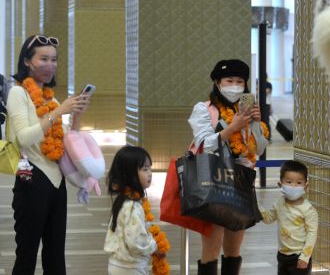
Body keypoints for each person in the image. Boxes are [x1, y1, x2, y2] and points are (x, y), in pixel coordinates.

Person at [6, 34, 89, 274]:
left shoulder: (50, 99)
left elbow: (66, 140)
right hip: (31, 178)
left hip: (56, 181)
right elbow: (24, 137)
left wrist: (77, 115)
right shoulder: (18, 94)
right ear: (27, 62)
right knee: (27, 254)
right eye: (43, 59)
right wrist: (58, 112)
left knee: (55, 254)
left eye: (54, 59)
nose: (51, 65)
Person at [188, 59, 269, 275]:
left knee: (234, 248)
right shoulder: (204, 109)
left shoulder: (248, 111)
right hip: (213, 181)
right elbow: (204, 144)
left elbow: (259, 149)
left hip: (241, 180)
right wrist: (233, 127)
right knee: (211, 249)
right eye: (229, 80)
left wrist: (255, 125)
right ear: (217, 82)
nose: (234, 85)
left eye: (239, 81)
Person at [104, 146, 168, 275]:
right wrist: (155, 245)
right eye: (145, 169)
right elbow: (136, 242)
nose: (150, 173)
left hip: (119, 264)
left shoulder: (123, 201)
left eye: (150, 168)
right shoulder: (132, 206)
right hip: (130, 268)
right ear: (129, 174)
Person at [259, 160, 318, 275]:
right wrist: (256, 206)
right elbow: (268, 219)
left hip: (299, 257)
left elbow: (312, 233)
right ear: (280, 184)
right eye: (289, 182)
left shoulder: (308, 210)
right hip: (282, 256)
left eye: (299, 182)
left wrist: (305, 257)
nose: (294, 186)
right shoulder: (279, 203)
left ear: (306, 186)